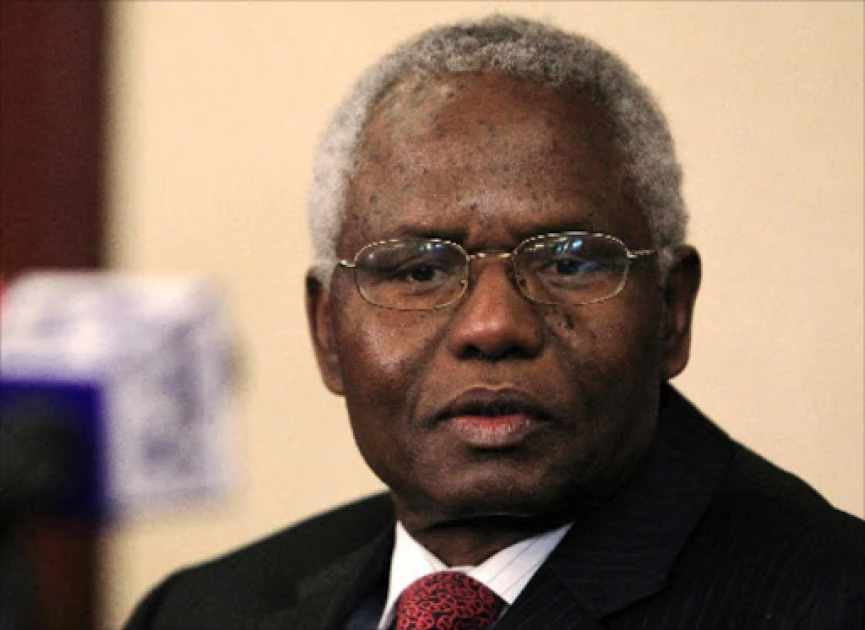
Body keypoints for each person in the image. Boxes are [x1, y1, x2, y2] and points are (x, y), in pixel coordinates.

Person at [126, 15, 864, 629]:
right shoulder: (199, 611)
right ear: (327, 332)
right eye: (419, 270)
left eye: (568, 262)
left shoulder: (831, 601)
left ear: (671, 309)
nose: (492, 325)